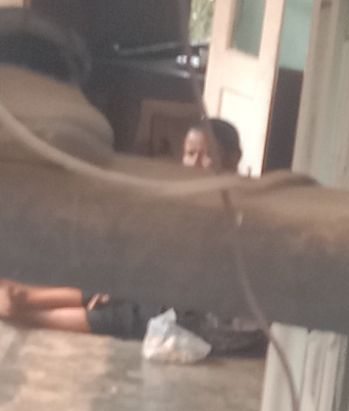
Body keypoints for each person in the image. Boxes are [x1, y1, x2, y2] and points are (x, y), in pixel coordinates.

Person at [0, 118, 265, 354]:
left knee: (125, 316)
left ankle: (22, 309)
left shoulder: (246, 210)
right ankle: (24, 299)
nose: (195, 164)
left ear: (234, 158)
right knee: (112, 285)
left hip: (208, 315)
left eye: (207, 155)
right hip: (168, 292)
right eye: (189, 154)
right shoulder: (192, 200)